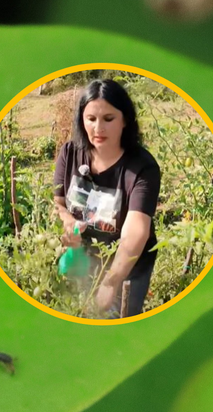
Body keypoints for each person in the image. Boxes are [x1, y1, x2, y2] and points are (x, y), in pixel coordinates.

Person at [53, 78, 161, 317]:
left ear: (125, 121)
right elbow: (58, 203)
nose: (98, 128)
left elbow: (136, 232)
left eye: (108, 119)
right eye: (91, 119)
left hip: (127, 263)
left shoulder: (141, 168)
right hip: (81, 255)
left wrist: (111, 281)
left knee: (116, 319)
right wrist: (68, 222)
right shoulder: (70, 153)